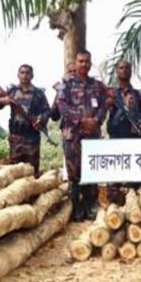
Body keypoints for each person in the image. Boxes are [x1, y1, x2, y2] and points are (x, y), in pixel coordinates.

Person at [50, 51, 108, 222]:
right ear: (75, 63)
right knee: (74, 173)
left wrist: (96, 120)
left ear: (90, 64)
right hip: (73, 135)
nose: (83, 64)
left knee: (92, 171)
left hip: (92, 136)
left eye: (87, 61)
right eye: (80, 61)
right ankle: (75, 207)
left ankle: (90, 206)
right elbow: (62, 106)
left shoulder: (97, 86)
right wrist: (81, 120)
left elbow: (105, 105)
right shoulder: (66, 85)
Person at [106, 60, 141, 205]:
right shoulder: (110, 94)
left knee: (134, 179)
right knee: (114, 179)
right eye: (121, 68)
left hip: (134, 140)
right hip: (116, 139)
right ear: (117, 71)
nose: (124, 70)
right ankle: (115, 209)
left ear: (131, 71)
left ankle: (134, 208)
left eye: (127, 68)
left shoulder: (138, 95)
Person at [0, 64, 50, 172]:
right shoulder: (12, 91)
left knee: (32, 171)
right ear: (18, 75)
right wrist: (2, 101)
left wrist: (40, 120)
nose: (25, 75)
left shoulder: (38, 93)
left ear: (32, 75)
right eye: (22, 73)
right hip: (16, 138)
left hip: (32, 138)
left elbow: (47, 111)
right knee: (15, 171)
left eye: (27, 73)